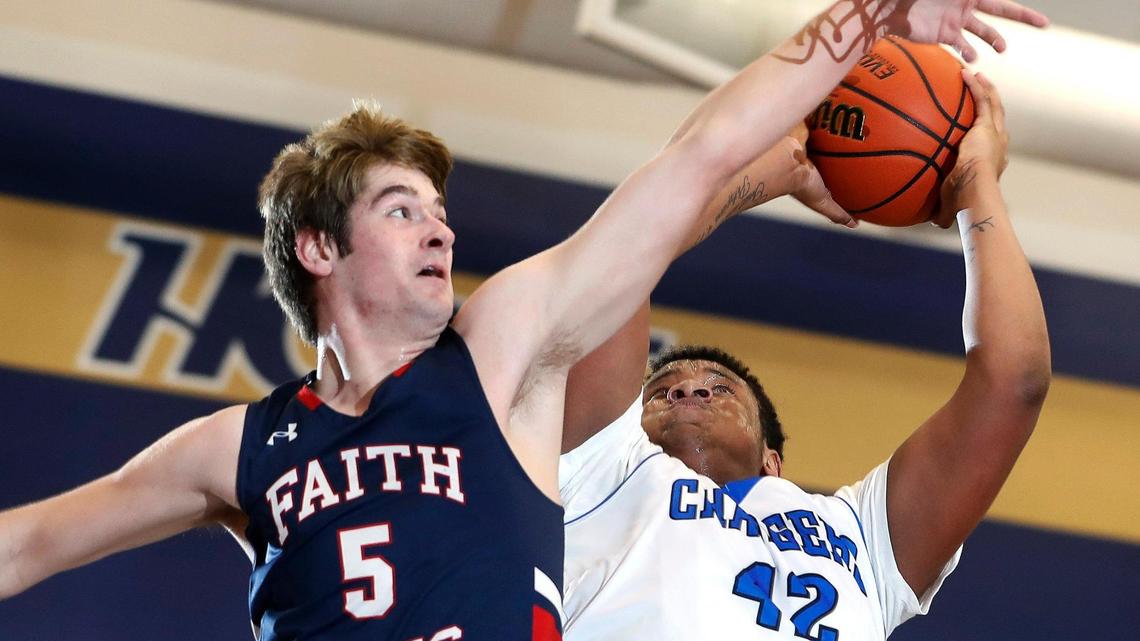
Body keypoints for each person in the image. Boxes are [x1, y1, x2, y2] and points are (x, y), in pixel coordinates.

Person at [0, 1, 1047, 639]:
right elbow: (34, 539)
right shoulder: (240, 443)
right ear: (318, 249)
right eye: (402, 210)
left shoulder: (498, 354)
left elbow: (688, 165)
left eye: (442, 212)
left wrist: (869, 13)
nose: (438, 231)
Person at [558, 70, 1051, 639]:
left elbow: (1014, 381)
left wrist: (974, 181)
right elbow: (620, 253)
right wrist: (762, 174)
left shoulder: (860, 534)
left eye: (718, 388)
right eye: (662, 391)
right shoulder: (599, 466)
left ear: (772, 460)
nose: (688, 390)